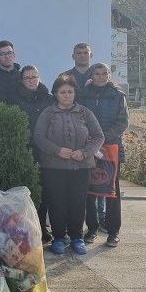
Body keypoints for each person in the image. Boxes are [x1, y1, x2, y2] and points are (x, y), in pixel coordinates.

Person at [33, 74, 104, 256]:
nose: (66, 95)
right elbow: (38, 137)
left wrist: (85, 152)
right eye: (62, 92)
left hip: (81, 167)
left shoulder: (85, 113)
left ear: (75, 93)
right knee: (56, 202)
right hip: (53, 167)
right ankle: (58, 237)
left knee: (78, 202)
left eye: (70, 92)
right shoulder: (48, 113)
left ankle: (76, 237)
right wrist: (57, 150)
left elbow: (99, 136)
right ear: (56, 94)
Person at [78, 62, 128, 247]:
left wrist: (103, 137)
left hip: (111, 147)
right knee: (89, 190)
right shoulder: (82, 95)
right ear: (91, 76)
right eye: (97, 73)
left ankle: (113, 231)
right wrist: (90, 138)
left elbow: (123, 122)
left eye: (104, 73)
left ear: (108, 75)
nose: (101, 77)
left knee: (112, 190)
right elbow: (79, 118)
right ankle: (91, 228)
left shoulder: (118, 95)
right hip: (89, 147)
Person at [6, 64, 54, 242]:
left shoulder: (48, 98)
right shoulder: (14, 99)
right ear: (22, 80)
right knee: (26, 189)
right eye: (28, 78)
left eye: (34, 77)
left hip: (45, 150)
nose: (32, 81)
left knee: (43, 188)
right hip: (25, 149)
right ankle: (24, 228)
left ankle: (42, 226)